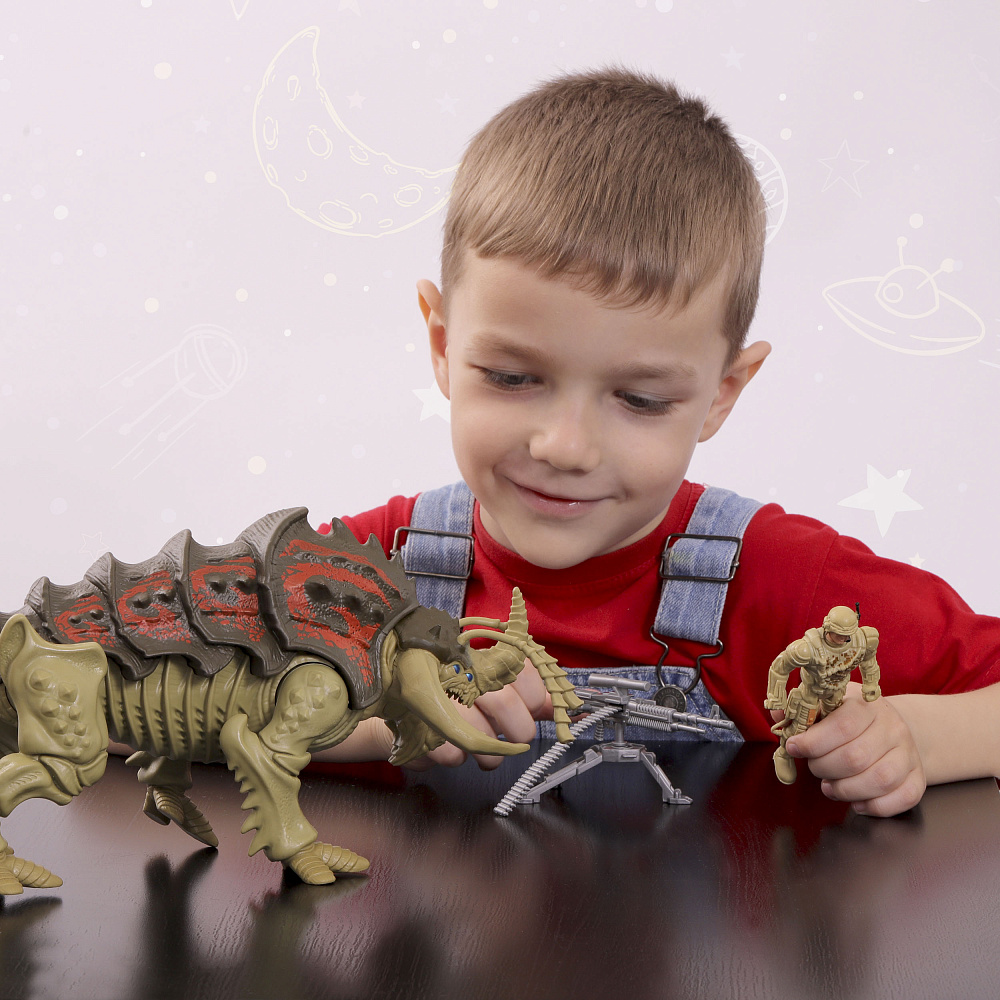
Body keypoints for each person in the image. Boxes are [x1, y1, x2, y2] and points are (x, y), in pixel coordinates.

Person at [313, 68, 1000, 817]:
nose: (565, 446)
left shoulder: (783, 586)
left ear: (722, 393)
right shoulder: (366, 572)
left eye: (640, 400)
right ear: (443, 346)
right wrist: (368, 718)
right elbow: (205, 687)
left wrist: (921, 738)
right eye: (512, 377)